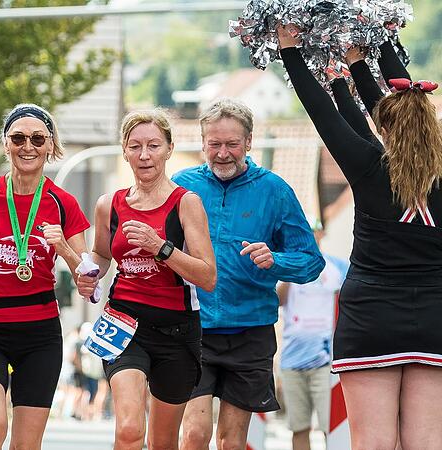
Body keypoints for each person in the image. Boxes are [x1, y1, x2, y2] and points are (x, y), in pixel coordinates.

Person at [278, 26, 442, 450]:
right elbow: (392, 110)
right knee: (426, 442)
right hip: (436, 316)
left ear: (385, 125)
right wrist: (367, 58)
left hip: (370, 318)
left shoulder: (370, 166)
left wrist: (294, 51)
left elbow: (327, 116)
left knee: (372, 442)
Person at [171, 98, 325, 450]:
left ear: (249, 142)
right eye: (215, 144)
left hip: (250, 332)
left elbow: (312, 261)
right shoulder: (181, 186)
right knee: (194, 434)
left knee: (232, 440)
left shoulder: (275, 191)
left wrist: (277, 260)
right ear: (202, 141)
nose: (223, 153)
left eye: (232, 144)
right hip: (194, 326)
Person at [0, 103, 90, 450]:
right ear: (6, 143)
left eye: (38, 139)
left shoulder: (62, 203)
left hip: (39, 334)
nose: (28, 146)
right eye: (19, 138)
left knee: (26, 445)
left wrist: (65, 250)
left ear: (50, 146)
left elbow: (88, 279)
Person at [77, 109, 216, 450]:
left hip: (177, 331)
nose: (144, 155)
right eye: (135, 146)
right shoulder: (108, 205)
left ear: (169, 149)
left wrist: (161, 248)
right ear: (124, 150)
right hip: (124, 324)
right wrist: (89, 274)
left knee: (163, 442)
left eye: (153, 145)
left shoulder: (187, 204)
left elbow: (207, 276)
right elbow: (102, 254)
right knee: (128, 430)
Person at [277, 217, 349, 450]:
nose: (311, 234)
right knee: (298, 427)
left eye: (315, 229)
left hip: (325, 360)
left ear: (322, 233)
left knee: (331, 426)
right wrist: (289, 273)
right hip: (292, 359)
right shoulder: (288, 265)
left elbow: (352, 301)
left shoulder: (336, 267)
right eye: (307, 230)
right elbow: (278, 300)